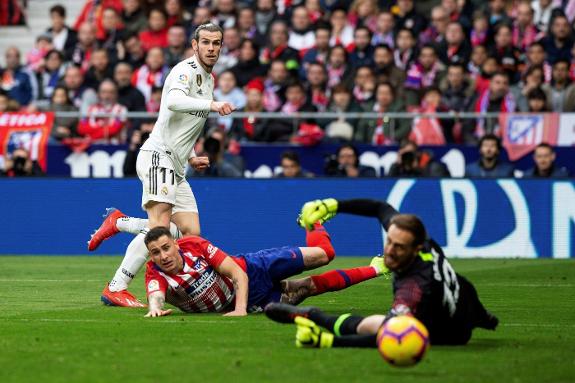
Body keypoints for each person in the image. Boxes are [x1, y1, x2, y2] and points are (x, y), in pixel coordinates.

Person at [89, 22, 235, 307]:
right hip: (158, 156)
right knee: (159, 230)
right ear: (194, 45)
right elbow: (174, 101)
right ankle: (117, 286)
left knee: (190, 232)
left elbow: (186, 124)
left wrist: (191, 154)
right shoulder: (185, 71)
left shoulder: (209, 79)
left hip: (177, 164)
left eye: (216, 43)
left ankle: (120, 222)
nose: (211, 48)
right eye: (205, 42)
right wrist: (214, 105)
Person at [265, 197, 498, 347]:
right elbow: (380, 208)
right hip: (461, 306)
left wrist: (328, 341)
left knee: (374, 325)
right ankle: (481, 317)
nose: (390, 250)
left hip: (447, 335)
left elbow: (386, 338)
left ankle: (312, 315)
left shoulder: (414, 287)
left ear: (416, 249)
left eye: (399, 247)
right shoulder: (419, 240)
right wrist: (333, 206)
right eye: (389, 242)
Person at [90, 214, 384, 314]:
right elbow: (154, 294)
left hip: (254, 269)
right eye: (155, 253)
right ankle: (376, 269)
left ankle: (312, 221)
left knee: (324, 255)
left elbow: (237, 272)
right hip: (254, 299)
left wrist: (240, 311)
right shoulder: (155, 272)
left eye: (166, 248)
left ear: (175, 244)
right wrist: (154, 308)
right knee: (304, 289)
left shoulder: (194, 245)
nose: (163, 256)